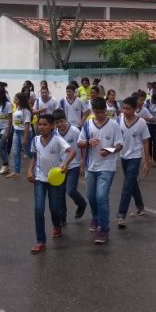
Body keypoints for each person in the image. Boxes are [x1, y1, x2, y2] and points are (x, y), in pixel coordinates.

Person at [78, 97, 123, 244]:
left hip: (107, 166)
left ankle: (104, 229)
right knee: (91, 196)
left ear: (106, 110)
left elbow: (119, 145)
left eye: (102, 112)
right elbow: (80, 143)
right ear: (93, 111)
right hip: (91, 167)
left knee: (101, 196)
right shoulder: (87, 125)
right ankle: (95, 217)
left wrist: (109, 150)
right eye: (97, 112)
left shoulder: (114, 125)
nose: (100, 115)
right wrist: (88, 142)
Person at [27, 114, 74, 253]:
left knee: (54, 208)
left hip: (54, 180)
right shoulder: (35, 140)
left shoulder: (58, 140)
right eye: (40, 124)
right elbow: (34, 158)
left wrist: (65, 164)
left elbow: (72, 151)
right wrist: (29, 171)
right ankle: (40, 241)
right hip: (39, 179)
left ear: (52, 126)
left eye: (45, 124)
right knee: (39, 209)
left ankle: (57, 226)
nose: (41, 127)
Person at [116, 97, 150, 229]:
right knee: (132, 183)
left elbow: (146, 142)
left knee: (127, 186)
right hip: (123, 156)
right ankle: (140, 207)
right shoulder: (119, 120)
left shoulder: (141, 123)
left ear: (135, 109)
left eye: (128, 109)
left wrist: (147, 162)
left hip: (135, 157)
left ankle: (121, 215)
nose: (125, 111)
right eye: (124, 108)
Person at [53, 109, 87, 224]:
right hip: (60, 167)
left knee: (71, 190)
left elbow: (82, 148)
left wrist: (82, 163)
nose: (60, 124)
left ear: (66, 120)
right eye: (57, 122)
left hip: (74, 165)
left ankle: (81, 203)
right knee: (60, 194)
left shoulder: (75, 131)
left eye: (61, 121)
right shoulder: (55, 133)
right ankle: (62, 218)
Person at [0, 89, 13, 175]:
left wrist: (8, 130)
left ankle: (5, 164)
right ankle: (6, 167)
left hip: (5, 128)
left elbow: (10, 119)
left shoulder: (8, 104)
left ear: (2, 95)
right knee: (3, 147)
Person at [144, 92, 156, 166]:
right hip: (148, 125)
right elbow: (144, 113)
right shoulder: (147, 102)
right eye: (153, 100)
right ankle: (149, 157)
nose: (154, 102)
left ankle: (154, 159)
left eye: (155, 101)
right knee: (149, 141)